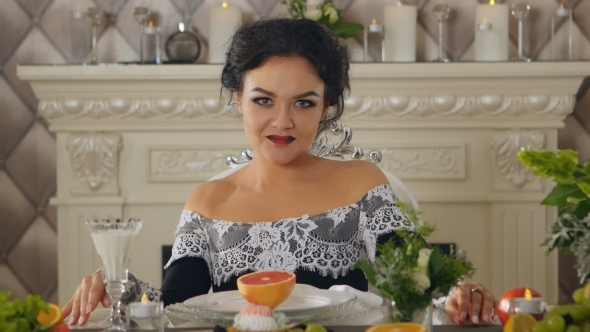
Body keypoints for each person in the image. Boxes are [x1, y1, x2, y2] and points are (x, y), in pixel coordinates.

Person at [62, 18, 496, 327]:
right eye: (263, 100)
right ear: (238, 99)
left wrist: (458, 293)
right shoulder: (208, 202)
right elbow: (176, 308)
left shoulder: (361, 182)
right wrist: (119, 285)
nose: (283, 122)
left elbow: (420, 278)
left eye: (304, 103)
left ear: (326, 107)